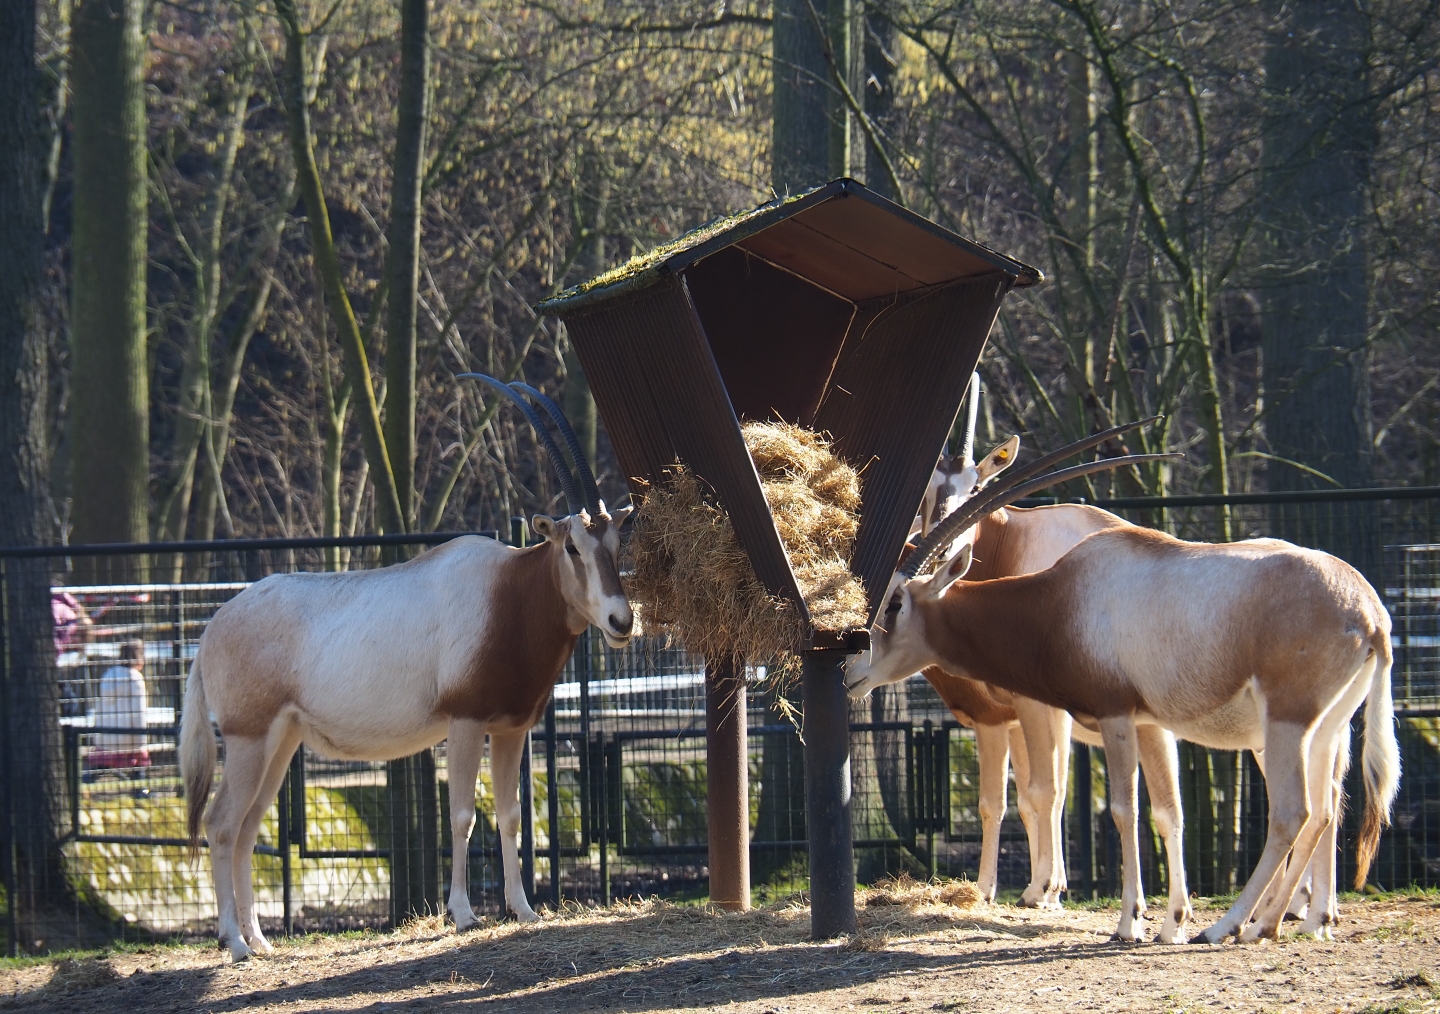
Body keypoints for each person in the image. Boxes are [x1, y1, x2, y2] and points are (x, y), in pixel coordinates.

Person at [90, 640, 151, 770]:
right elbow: (139, 713)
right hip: (129, 740)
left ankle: (89, 779)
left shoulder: (107, 675)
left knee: (102, 766)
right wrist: (142, 743)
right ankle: (140, 786)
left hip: (105, 738)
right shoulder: (135, 679)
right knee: (138, 766)